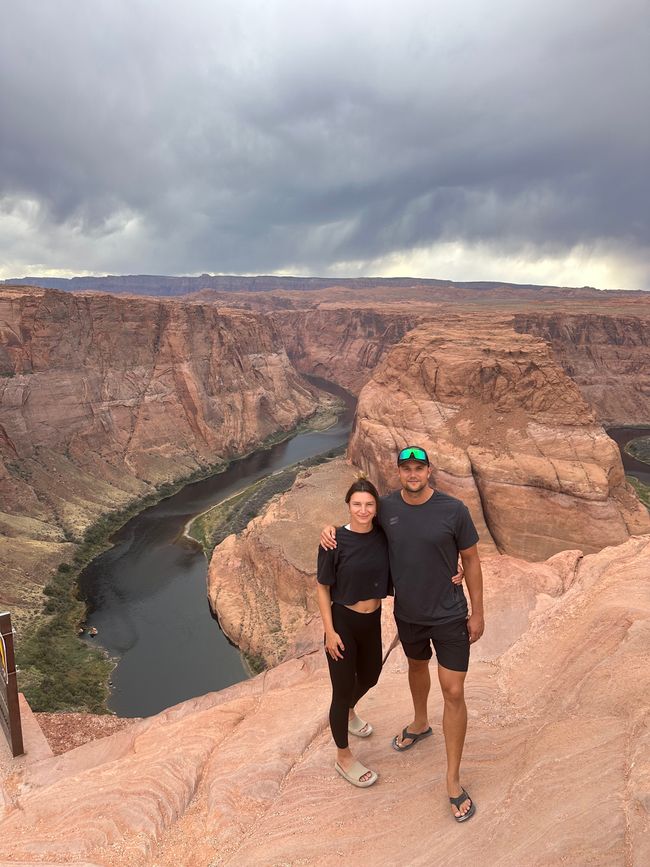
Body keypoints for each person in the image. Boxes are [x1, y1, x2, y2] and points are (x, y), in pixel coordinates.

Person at [320, 446, 484, 821]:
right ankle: (421, 722)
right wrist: (327, 529)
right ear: (398, 472)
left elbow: (472, 560)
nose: (413, 473)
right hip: (408, 615)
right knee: (416, 667)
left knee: (454, 690)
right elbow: (357, 526)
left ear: (429, 471)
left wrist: (478, 611)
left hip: (449, 615)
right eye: (406, 468)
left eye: (419, 467)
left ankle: (453, 781)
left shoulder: (453, 510)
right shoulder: (387, 508)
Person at [316, 477, 391, 788]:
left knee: (371, 675)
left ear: (376, 508)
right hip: (343, 623)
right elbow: (322, 588)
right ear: (348, 506)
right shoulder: (334, 541)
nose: (363, 510)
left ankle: (348, 712)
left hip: (371, 621)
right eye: (357, 504)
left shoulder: (384, 536)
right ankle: (343, 756)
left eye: (369, 504)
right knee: (342, 690)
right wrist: (329, 632)